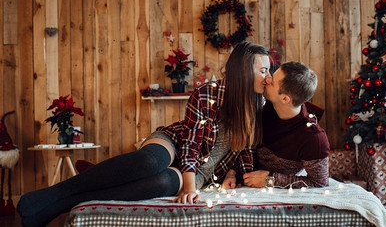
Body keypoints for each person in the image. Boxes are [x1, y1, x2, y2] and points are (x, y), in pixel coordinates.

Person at [17, 41, 271, 227]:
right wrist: (189, 187)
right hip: (174, 143)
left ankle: (58, 206)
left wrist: (230, 173)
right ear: (243, 71)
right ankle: (54, 193)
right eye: (263, 70)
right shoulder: (207, 93)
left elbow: (244, 153)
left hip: (203, 172)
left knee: (161, 183)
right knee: (149, 162)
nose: (268, 77)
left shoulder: (259, 106)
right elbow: (191, 145)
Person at [243, 61, 330, 189]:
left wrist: (271, 180)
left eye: (272, 81)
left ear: (285, 99)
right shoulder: (261, 107)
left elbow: (319, 183)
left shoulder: (314, 138)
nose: (267, 79)